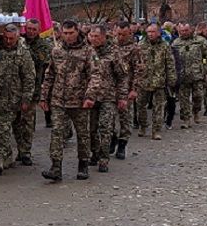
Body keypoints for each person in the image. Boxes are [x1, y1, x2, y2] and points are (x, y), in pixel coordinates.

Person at [39, 20, 94, 181]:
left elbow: (95, 76)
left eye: (71, 33)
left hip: (79, 100)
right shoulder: (57, 50)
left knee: (83, 134)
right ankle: (56, 167)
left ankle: (83, 164)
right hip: (58, 99)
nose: (68, 36)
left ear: (77, 31)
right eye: (65, 33)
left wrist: (90, 96)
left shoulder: (87, 51)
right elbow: (49, 74)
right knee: (57, 132)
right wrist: (44, 96)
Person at [0, 23, 35, 175]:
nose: (8, 41)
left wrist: (26, 99)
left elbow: (29, 77)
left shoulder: (23, 52)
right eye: (6, 38)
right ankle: (7, 156)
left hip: (11, 97)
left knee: (3, 128)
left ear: (18, 36)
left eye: (11, 38)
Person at [82, 25, 129, 173]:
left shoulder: (114, 52)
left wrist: (122, 97)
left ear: (103, 37)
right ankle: (94, 153)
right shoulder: (86, 51)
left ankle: (104, 158)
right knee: (91, 129)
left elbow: (122, 76)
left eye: (96, 36)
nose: (93, 39)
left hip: (108, 96)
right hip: (90, 96)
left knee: (106, 128)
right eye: (91, 36)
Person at [20, 18, 53, 163]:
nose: (31, 32)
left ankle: (25, 152)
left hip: (32, 88)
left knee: (28, 122)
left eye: (34, 29)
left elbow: (40, 61)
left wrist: (24, 48)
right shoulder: (19, 40)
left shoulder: (43, 46)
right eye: (29, 29)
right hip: (14, 88)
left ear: (39, 31)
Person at [137, 23, 177, 140]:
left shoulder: (164, 46)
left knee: (158, 107)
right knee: (140, 105)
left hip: (159, 81)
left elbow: (170, 63)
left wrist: (172, 79)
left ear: (159, 33)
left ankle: (156, 130)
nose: (150, 34)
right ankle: (143, 126)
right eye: (148, 32)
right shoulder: (141, 45)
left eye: (153, 32)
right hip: (144, 80)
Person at [113, 22, 144, 160]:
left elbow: (139, 70)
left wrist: (134, 89)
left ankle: (122, 144)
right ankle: (112, 138)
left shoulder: (134, 49)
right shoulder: (111, 47)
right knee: (108, 119)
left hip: (126, 88)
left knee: (125, 119)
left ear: (129, 34)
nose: (120, 37)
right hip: (110, 88)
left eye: (123, 35)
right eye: (118, 34)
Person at [172, 23, 207, 129]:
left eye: (186, 30)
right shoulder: (176, 43)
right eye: (182, 31)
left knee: (198, 96)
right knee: (183, 99)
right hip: (182, 75)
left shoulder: (200, 41)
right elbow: (172, 59)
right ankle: (186, 119)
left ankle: (196, 111)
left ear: (191, 30)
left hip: (197, 74)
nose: (184, 33)